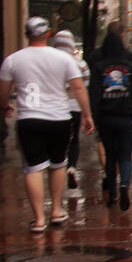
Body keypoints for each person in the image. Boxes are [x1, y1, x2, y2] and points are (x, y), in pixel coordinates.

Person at [0, 17, 94, 232]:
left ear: (26, 34)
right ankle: (56, 210)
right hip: (59, 119)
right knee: (59, 164)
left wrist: (5, 107)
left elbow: (1, 91)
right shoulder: (64, 59)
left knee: (33, 168)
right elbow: (78, 88)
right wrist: (87, 115)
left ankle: (39, 219)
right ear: (48, 34)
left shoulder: (13, 60)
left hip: (29, 119)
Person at [88, 25, 132, 211]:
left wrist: (94, 120)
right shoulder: (129, 65)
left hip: (106, 118)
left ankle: (112, 195)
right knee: (126, 156)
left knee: (111, 156)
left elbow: (94, 95)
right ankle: (125, 185)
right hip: (127, 117)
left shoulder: (98, 67)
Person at [50, 30, 91, 191]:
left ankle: (57, 168)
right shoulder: (80, 63)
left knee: (57, 142)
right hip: (74, 108)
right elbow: (85, 86)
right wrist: (86, 114)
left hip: (55, 108)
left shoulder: (49, 61)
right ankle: (71, 167)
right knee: (73, 141)